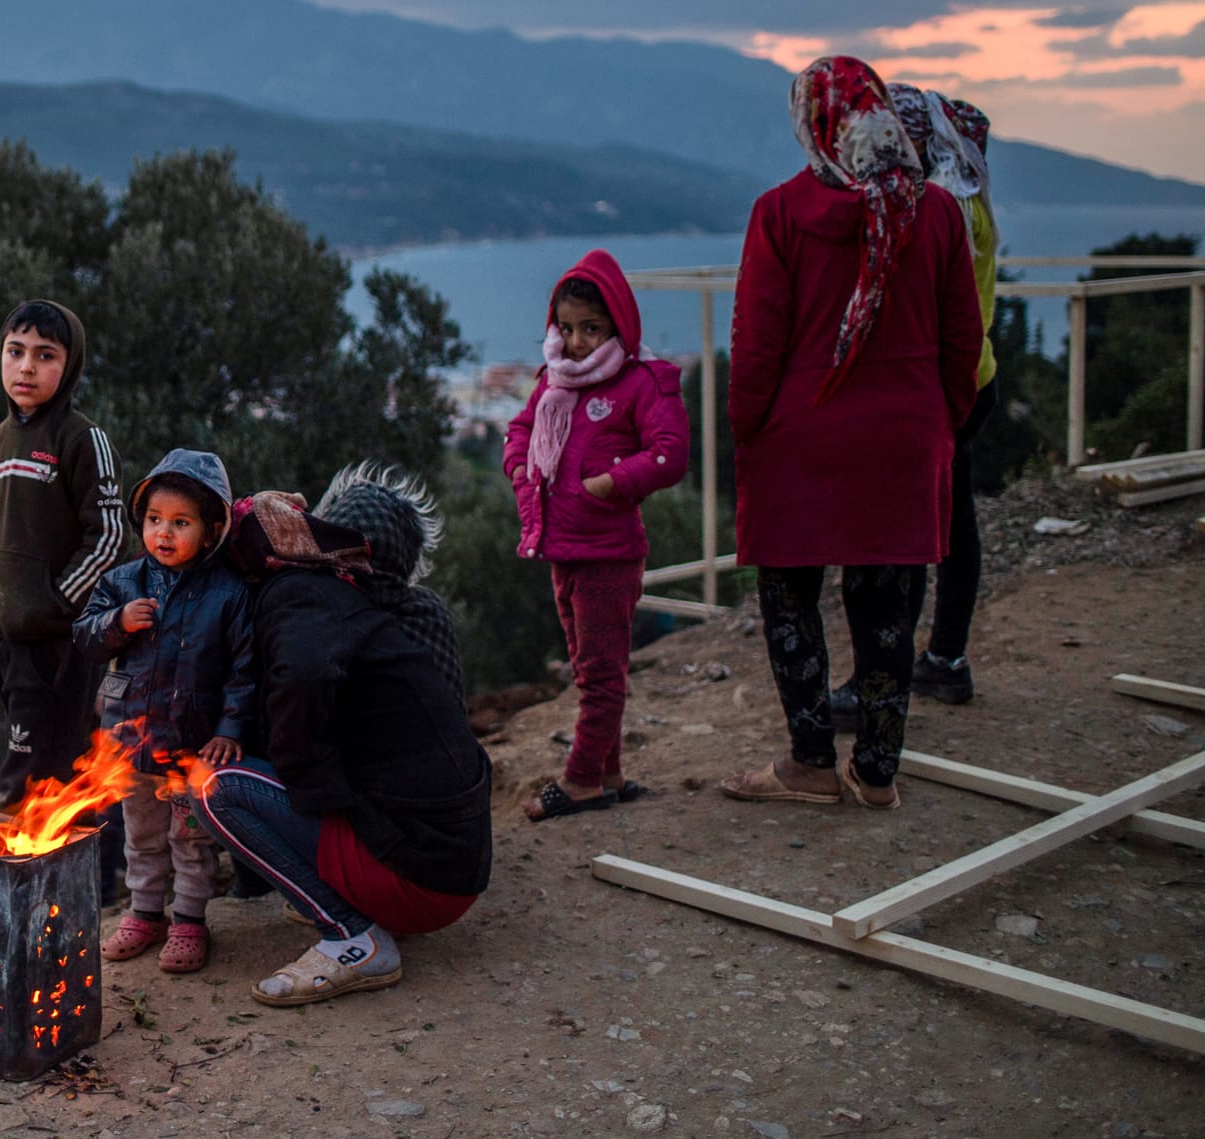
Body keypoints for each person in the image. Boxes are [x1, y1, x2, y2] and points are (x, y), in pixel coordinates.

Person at [720, 56, 982, 811]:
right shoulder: (936, 213)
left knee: (791, 600)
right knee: (888, 608)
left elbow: (757, 343)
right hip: (904, 441)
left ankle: (810, 762)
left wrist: (747, 429)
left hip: (798, 440)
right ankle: (877, 771)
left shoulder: (779, 213)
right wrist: (940, 422)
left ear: (815, 124)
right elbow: (963, 341)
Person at [195, 477, 492, 1007]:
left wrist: (312, 796)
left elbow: (302, 682)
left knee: (214, 787)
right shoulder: (373, 610)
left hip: (420, 876)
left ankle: (353, 936)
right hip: (455, 859)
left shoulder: (301, 593)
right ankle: (345, 896)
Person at [502, 250, 691, 820]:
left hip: (608, 553)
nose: (576, 342)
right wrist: (519, 469)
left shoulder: (643, 381)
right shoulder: (553, 380)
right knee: (590, 668)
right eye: (566, 328)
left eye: (591, 329)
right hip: (563, 548)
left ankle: (581, 780)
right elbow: (521, 428)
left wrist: (610, 484)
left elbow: (670, 452)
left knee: (601, 675)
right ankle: (608, 774)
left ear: (619, 325)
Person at [832, 86, 999, 726]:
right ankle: (944, 659)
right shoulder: (972, 201)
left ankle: (882, 679)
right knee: (949, 525)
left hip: (933, 388)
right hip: (974, 378)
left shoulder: (930, 207)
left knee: (907, 534)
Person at [73, 449, 252, 975]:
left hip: (192, 746)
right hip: (130, 744)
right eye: (154, 519)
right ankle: (144, 913)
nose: (164, 533)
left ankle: (190, 920)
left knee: (191, 839)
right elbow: (84, 636)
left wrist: (230, 729)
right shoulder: (122, 583)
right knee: (142, 836)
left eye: (180, 522)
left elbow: (246, 671)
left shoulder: (229, 594)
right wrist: (117, 623)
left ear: (212, 530)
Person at [0, 299, 128, 809]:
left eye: (45, 355)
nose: (26, 367)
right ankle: (46, 850)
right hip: (8, 637)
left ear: (69, 365)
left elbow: (109, 536)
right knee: (34, 760)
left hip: (62, 640)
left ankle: (28, 848)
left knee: (42, 772)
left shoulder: (82, 439)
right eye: (15, 351)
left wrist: (55, 603)